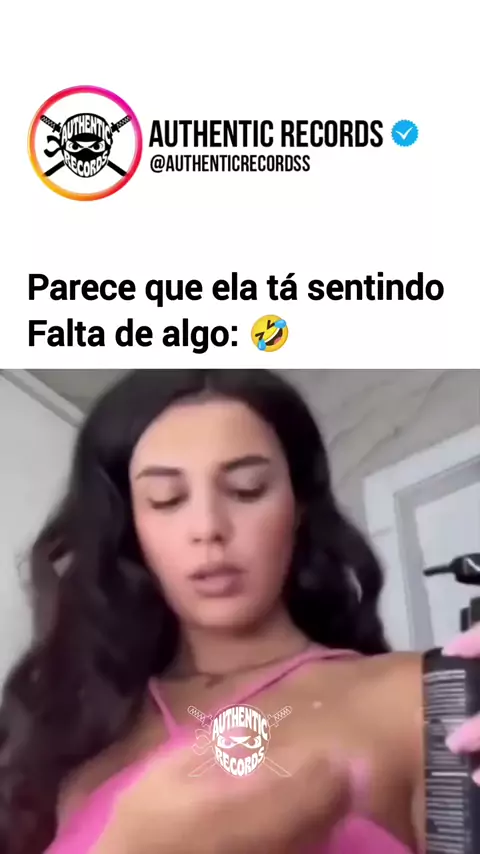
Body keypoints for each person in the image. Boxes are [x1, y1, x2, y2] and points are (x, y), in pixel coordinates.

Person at [0, 368, 478, 854]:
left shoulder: (416, 696)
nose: (208, 527)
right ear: (131, 529)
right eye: (166, 500)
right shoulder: (68, 744)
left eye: (247, 489)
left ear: (298, 507)